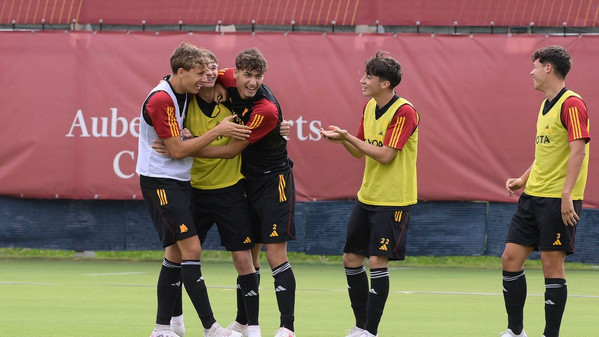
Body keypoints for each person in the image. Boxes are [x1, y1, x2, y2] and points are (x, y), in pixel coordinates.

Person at [137, 42, 249, 337]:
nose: (205, 79)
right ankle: (211, 328)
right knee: (192, 248)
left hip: (178, 181)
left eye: (207, 72)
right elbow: (176, 151)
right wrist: (217, 131)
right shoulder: (161, 99)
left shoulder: (182, 88)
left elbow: (225, 74)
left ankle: (165, 327)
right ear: (181, 71)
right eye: (199, 73)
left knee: (174, 253)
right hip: (160, 182)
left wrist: (223, 83)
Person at [190, 48, 297, 337]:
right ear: (235, 72)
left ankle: (287, 328)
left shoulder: (266, 109)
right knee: (249, 255)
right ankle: (243, 322)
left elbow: (232, 150)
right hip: (245, 181)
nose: (252, 82)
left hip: (273, 181)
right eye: (246, 75)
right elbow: (202, 78)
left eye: (258, 76)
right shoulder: (224, 76)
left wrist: (189, 148)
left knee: (276, 254)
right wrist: (222, 87)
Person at [320, 51, 420, 337]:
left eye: (368, 77)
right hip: (367, 197)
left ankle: (371, 331)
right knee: (351, 258)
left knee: (377, 261)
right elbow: (359, 152)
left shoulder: (405, 111)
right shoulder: (369, 106)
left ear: (385, 83)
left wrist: (349, 137)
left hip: (394, 200)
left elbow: (386, 156)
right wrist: (343, 140)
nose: (362, 81)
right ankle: (360, 325)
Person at [499, 45, 590, 337]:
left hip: (558, 200)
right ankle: (515, 331)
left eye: (535, 65)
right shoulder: (545, 105)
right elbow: (546, 154)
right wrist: (523, 179)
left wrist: (567, 195)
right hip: (533, 196)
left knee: (551, 264)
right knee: (510, 258)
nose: (531, 71)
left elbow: (578, 152)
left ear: (548, 67)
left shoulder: (572, 104)